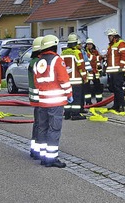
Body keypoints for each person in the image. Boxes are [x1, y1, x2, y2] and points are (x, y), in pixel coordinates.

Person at [33, 34, 72, 168]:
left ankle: (44, 157)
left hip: (42, 101)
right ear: (54, 46)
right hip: (56, 101)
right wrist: (69, 94)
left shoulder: (38, 62)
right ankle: (51, 158)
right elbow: (63, 79)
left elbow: (36, 82)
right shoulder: (56, 60)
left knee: (43, 128)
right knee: (54, 129)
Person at [60, 33, 87, 120]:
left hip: (66, 80)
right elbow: (81, 67)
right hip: (76, 80)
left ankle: (67, 114)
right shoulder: (77, 53)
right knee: (76, 97)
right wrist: (85, 77)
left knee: (67, 96)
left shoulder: (63, 53)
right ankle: (75, 114)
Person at [105, 28, 125, 112]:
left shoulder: (121, 43)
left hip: (118, 70)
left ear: (114, 36)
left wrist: (121, 65)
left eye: (110, 36)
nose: (109, 37)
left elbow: (124, 54)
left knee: (118, 88)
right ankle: (116, 105)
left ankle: (121, 105)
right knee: (114, 88)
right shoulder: (110, 45)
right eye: (108, 36)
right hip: (112, 70)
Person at [28, 36, 43, 160]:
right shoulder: (38, 62)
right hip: (40, 98)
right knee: (41, 124)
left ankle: (34, 149)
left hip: (35, 98)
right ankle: (37, 150)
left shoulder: (33, 61)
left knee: (37, 124)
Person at [84, 38, 104, 103]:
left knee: (98, 87)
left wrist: (100, 70)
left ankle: (99, 101)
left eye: (90, 44)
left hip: (95, 72)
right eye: (88, 44)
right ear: (86, 45)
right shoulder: (85, 52)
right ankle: (88, 101)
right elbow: (93, 58)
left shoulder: (96, 52)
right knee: (87, 88)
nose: (89, 45)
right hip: (88, 73)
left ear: (93, 45)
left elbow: (98, 62)